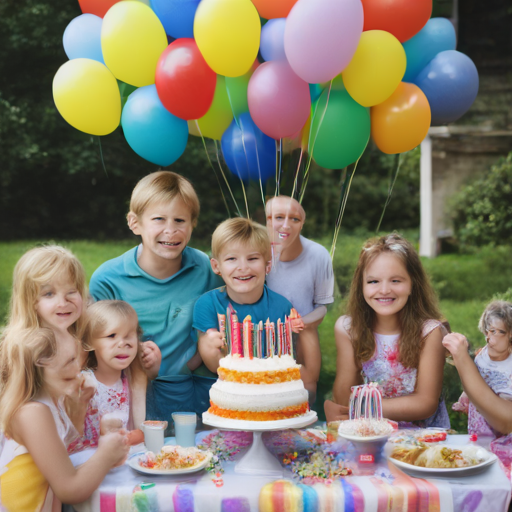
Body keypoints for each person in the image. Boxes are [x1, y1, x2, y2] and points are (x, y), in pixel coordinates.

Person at [89, 171, 221, 425]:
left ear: (193, 224)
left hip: (191, 392)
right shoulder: (108, 279)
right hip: (129, 397)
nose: (170, 230)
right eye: (159, 219)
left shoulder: (205, 269)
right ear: (134, 223)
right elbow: (93, 350)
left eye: (180, 220)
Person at [324, 233, 450, 428]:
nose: (384, 290)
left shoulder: (429, 332)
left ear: (413, 284)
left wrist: (360, 407)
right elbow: (342, 399)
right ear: (361, 286)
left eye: (396, 281)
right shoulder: (348, 329)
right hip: (370, 432)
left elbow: (425, 403)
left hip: (422, 437)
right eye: (373, 281)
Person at [0, 328, 129, 511]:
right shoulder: (32, 412)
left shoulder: (52, 402)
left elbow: (63, 461)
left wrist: (83, 405)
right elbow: (70, 489)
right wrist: (105, 455)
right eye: (70, 360)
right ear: (40, 367)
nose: (78, 368)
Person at [2, 245, 95, 432]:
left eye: (71, 291)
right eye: (49, 294)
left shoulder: (80, 339)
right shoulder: (27, 347)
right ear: (30, 301)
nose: (63, 303)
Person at [194, 217, 302, 374]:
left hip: (271, 387)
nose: (243, 267)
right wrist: (210, 348)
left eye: (252, 258)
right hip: (224, 389)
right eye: (231, 259)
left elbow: (292, 358)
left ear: (267, 265)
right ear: (216, 266)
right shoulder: (207, 304)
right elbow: (215, 366)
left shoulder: (283, 307)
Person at [265, 195, 334, 403]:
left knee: (305, 389)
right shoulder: (258, 252)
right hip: (265, 333)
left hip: (304, 334)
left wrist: (301, 322)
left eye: (294, 219)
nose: (286, 225)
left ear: (302, 224)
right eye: (278, 217)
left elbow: (323, 307)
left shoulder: (319, 255)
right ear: (267, 221)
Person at [68, 300, 159, 454]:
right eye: (111, 336)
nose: (123, 344)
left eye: (130, 336)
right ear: (89, 342)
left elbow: (145, 374)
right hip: (87, 464)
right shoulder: (84, 383)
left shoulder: (130, 381)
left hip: (122, 461)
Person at [445, 300, 512, 437]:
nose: (489, 338)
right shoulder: (483, 354)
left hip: (503, 440)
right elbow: (475, 376)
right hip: (478, 431)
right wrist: (466, 397)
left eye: (497, 332)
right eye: (488, 331)